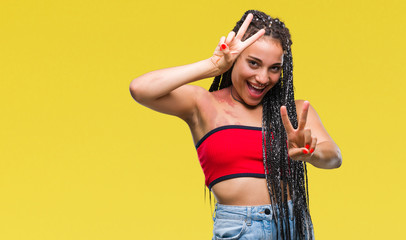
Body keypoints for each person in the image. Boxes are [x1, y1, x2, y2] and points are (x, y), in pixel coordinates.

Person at [129, 9, 341, 240]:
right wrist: (213, 65)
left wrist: (310, 152)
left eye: (274, 68)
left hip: (293, 226)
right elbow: (141, 89)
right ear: (235, 58)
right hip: (241, 229)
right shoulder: (203, 104)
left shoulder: (294, 112)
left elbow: (334, 157)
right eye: (253, 63)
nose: (262, 78)